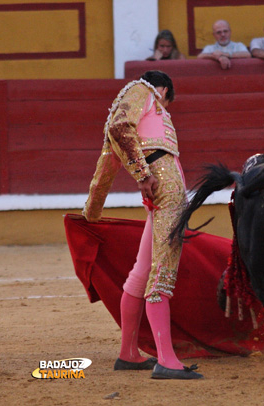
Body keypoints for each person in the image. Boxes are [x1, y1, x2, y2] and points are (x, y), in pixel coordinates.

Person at [82, 70, 202, 380]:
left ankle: (129, 353)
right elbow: (119, 128)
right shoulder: (144, 91)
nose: (167, 108)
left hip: (157, 189)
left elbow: (109, 159)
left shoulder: (131, 103)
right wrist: (144, 175)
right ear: (164, 90)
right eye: (168, 102)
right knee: (162, 271)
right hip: (166, 187)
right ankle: (167, 360)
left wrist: (92, 210)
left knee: (142, 271)